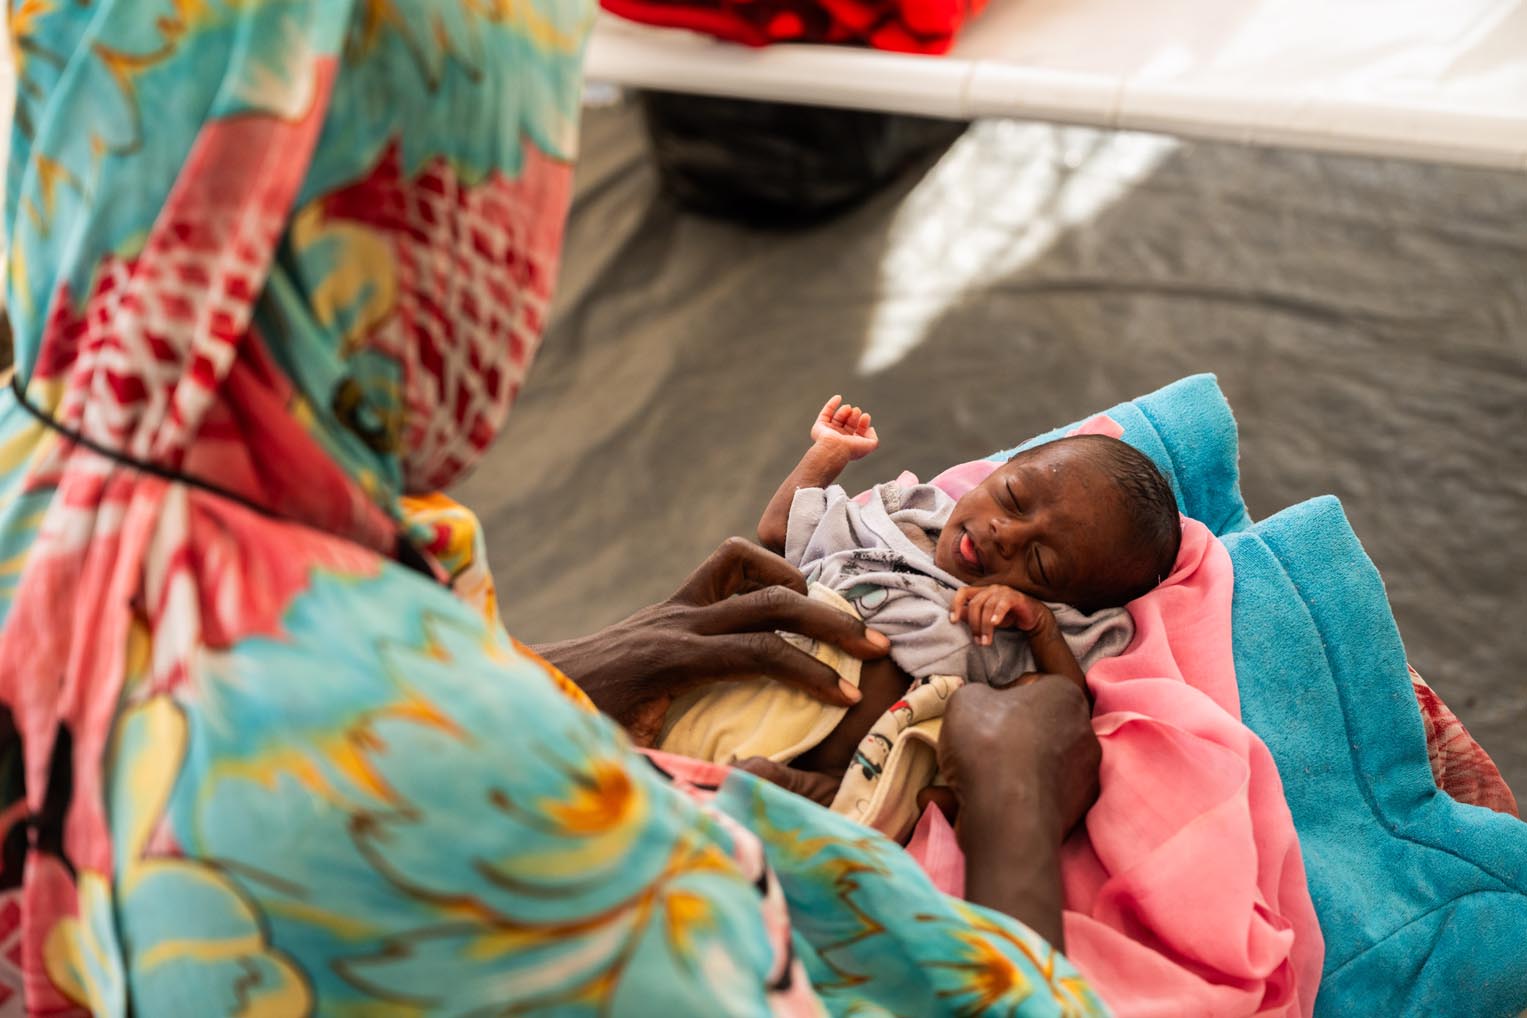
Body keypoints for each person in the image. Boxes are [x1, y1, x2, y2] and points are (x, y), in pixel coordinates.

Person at [0, 3, 1105, 1015]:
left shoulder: (56, 478)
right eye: (525, 164)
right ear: (414, 219)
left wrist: (544, 673)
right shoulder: (442, 789)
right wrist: (1012, 804)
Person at [660, 397, 1178, 816]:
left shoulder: (1038, 622)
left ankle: (813, 792)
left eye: (1040, 564)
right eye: (1013, 496)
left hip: (865, 756)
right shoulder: (907, 515)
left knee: (915, 749)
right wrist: (828, 455)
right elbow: (779, 531)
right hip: (771, 674)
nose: (1006, 534)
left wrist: (1038, 624)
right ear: (994, 473)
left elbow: (1068, 709)